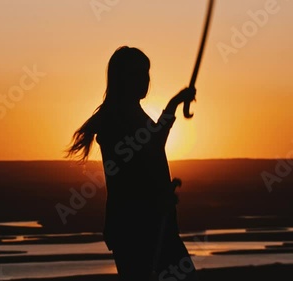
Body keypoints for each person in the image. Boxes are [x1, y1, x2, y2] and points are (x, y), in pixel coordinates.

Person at [66, 46, 198, 281]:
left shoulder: (131, 115)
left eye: (146, 72)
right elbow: (133, 169)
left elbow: (152, 144)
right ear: (122, 79)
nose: (145, 79)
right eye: (136, 74)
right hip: (137, 228)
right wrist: (160, 196)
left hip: (153, 225)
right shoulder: (115, 121)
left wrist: (174, 104)